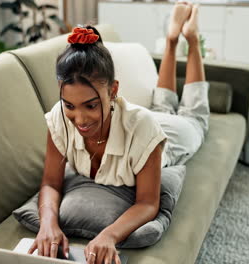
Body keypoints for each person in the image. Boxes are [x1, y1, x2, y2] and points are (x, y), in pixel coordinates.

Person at [28, 2, 209, 264]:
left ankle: (190, 39)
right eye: (70, 105)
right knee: (161, 105)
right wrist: (48, 224)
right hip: (136, 119)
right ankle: (171, 40)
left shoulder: (144, 128)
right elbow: (50, 183)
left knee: (194, 117)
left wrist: (109, 235)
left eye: (90, 105)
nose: (79, 119)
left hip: (168, 136)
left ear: (113, 90)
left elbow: (148, 203)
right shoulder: (59, 117)